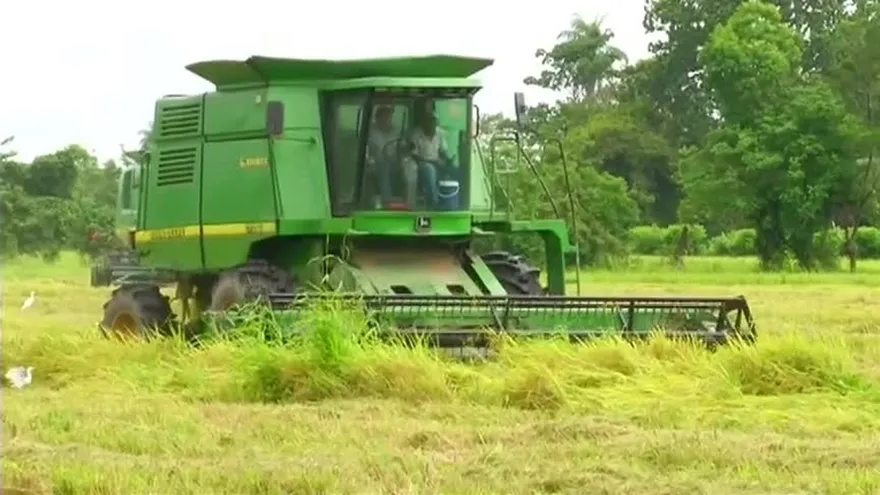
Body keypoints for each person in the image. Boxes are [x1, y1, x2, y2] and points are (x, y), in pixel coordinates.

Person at [402, 112, 453, 207]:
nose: (432, 126)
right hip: (422, 163)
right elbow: (413, 155)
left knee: (454, 169)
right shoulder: (417, 134)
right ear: (425, 124)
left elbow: (443, 151)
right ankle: (433, 201)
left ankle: (451, 202)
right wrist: (431, 162)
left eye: (434, 123)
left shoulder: (439, 134)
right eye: (429, 123)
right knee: (429, 169)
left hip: (437, 162)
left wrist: (447, 161)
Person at [365, 105, 400, 205]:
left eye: (388, 117)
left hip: (394, 162)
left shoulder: (396, 131)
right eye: (384, 117)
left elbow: (400, 147)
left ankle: (411, 202)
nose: (387, 120)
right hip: (375, 163)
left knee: (411, 168)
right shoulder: (370, 133)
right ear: (377, 118)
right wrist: (369, 159)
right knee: (383, 166)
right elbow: (365, 150)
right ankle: (387, 199)